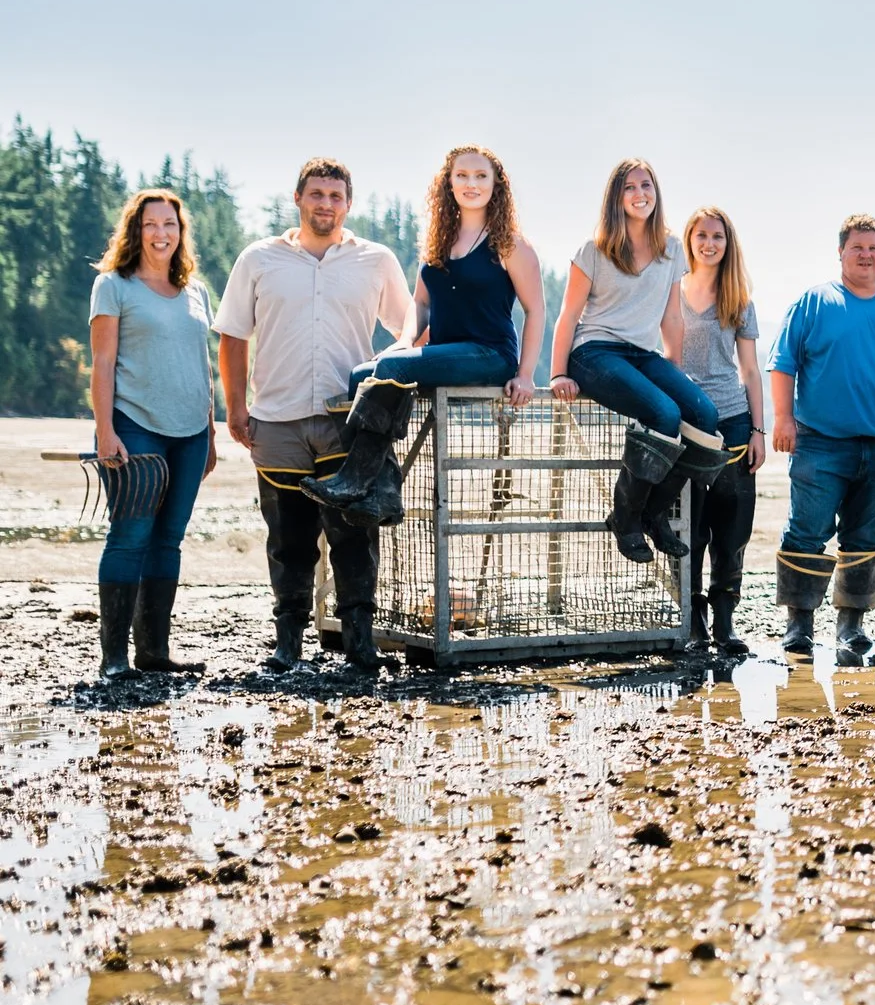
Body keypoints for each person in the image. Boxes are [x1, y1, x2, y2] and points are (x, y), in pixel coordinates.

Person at [217, 159, 413, 674]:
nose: (326, 204)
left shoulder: (375, 260)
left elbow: (411, 330)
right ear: (298, 198)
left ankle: (359, 643)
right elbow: (233, 335)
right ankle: (288, 644)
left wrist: (389, 383)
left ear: (348, 204)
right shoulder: (259, 259)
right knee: (288, 538)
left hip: (346, 420)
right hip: (276, 417)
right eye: (317, 194)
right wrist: (235, 407)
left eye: (335, 196)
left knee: (354, 534)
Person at [307, 145, 544, 527]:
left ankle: (355, 481)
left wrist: (526, 374)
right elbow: (420, 304)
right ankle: (382, 491)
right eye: (461, 175)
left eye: (481, 176)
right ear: (448, 183)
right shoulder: (439, 240)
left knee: (392, 368)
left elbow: (536, 310)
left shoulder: (510, 244)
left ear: (496, 184)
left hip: (489, 355)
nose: (471, 183)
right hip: (443, 352)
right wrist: (405, 341)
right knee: (359, 374)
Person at [770, 213, 875, 665]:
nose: (865, 255)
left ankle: (851, 626)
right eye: (857, 247)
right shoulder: (814, 302)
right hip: (821, 442)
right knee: (807, 532)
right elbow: (783, 363)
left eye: (873, 248)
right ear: (840, 252)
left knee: (866, 537)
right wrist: (783, 418)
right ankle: (799, 626)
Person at [548, 160, 727, 564]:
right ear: (616, 197)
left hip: (644, 354)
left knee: (703, 415)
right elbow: (569, 315)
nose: (639, 193)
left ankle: (654, 513)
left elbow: (672, 315)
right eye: (629, 187)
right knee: (664, 415)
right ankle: (626, 516)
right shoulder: (594, 249)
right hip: (594, 352)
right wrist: (558, 372)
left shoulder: (671, 249)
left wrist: (674, 368)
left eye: (646, 185)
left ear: (656, 192)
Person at [87, 189, 220, 678]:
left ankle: (154, 652)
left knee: (169, 540)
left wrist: (210, 432)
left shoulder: (196, 292)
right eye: (150, 224)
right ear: (135, 230)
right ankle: (114, 659)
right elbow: (102, 363)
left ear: (180, 233)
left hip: (191, 434)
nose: (161, 233)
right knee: (131, 535)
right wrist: (105, 431)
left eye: (170, 224)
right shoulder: (113, 286)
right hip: (134, 424)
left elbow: (202, 364)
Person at [675, 206, 767, 657]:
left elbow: (749, 370)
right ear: (689, 240)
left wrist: (759, 430)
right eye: (702, 235)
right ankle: (694, 622)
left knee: (732, 527)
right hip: (684, 420)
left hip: (732, 420)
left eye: (718, 237)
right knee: (689, 527)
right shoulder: (669, 292)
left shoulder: (739, 299)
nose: (709, 244)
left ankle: (725, 624)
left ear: (728, 244)